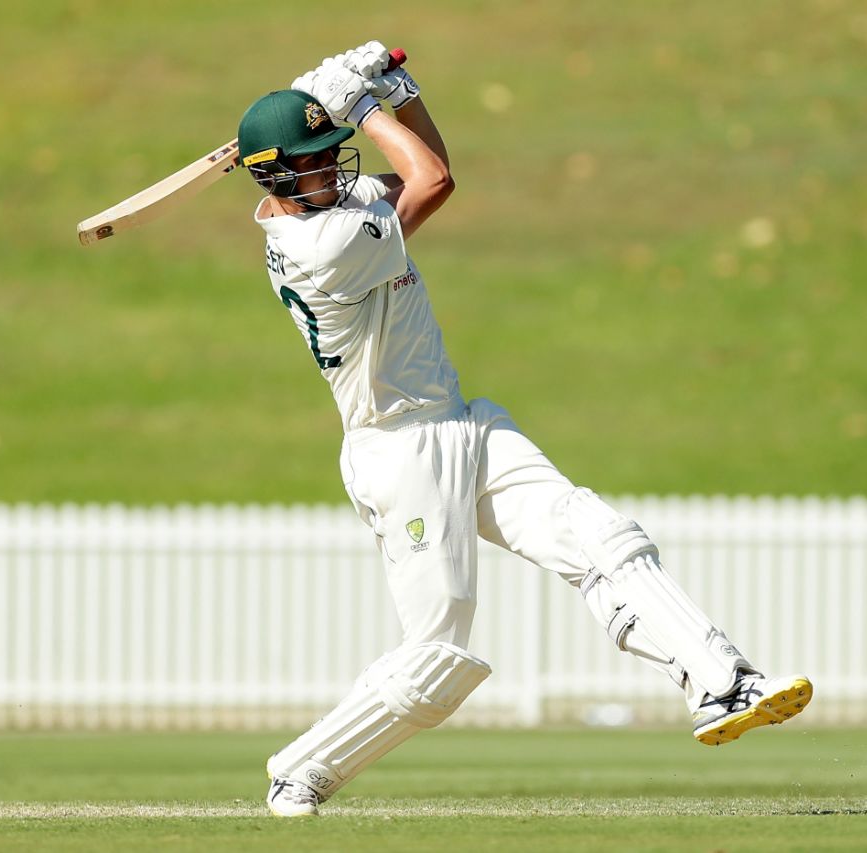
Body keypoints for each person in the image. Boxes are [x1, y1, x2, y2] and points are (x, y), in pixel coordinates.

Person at [237, 42, 812, 817]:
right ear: (275, 177)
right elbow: (429, 182)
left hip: (460, 423)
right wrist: (362, 105)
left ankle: (721, 682)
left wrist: (397, 92)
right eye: (315, 163)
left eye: (334, 155)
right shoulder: (321, 244)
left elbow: (427, 166)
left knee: (599, 535)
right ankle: (301, 769)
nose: (334, 171)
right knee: (438, 656)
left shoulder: (327, 208)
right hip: (399, 451)